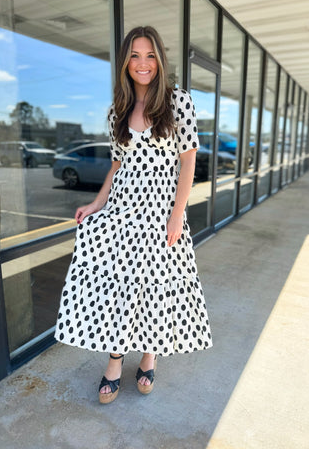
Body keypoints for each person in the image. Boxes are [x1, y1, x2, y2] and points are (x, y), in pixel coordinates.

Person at [55, 26, 212, 404]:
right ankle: (114, 360)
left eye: (150, 55)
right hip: (123, 211)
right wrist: (96, 204)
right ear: (126, 62)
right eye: (136, 56)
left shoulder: (179, 102)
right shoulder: (117, 111)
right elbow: (116, 166)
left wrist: (178, 214)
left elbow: (188, 163)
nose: (143, 64)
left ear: (160, 60)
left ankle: (149, 356)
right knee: (119, 287)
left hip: (162, 212)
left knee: (154, 287)